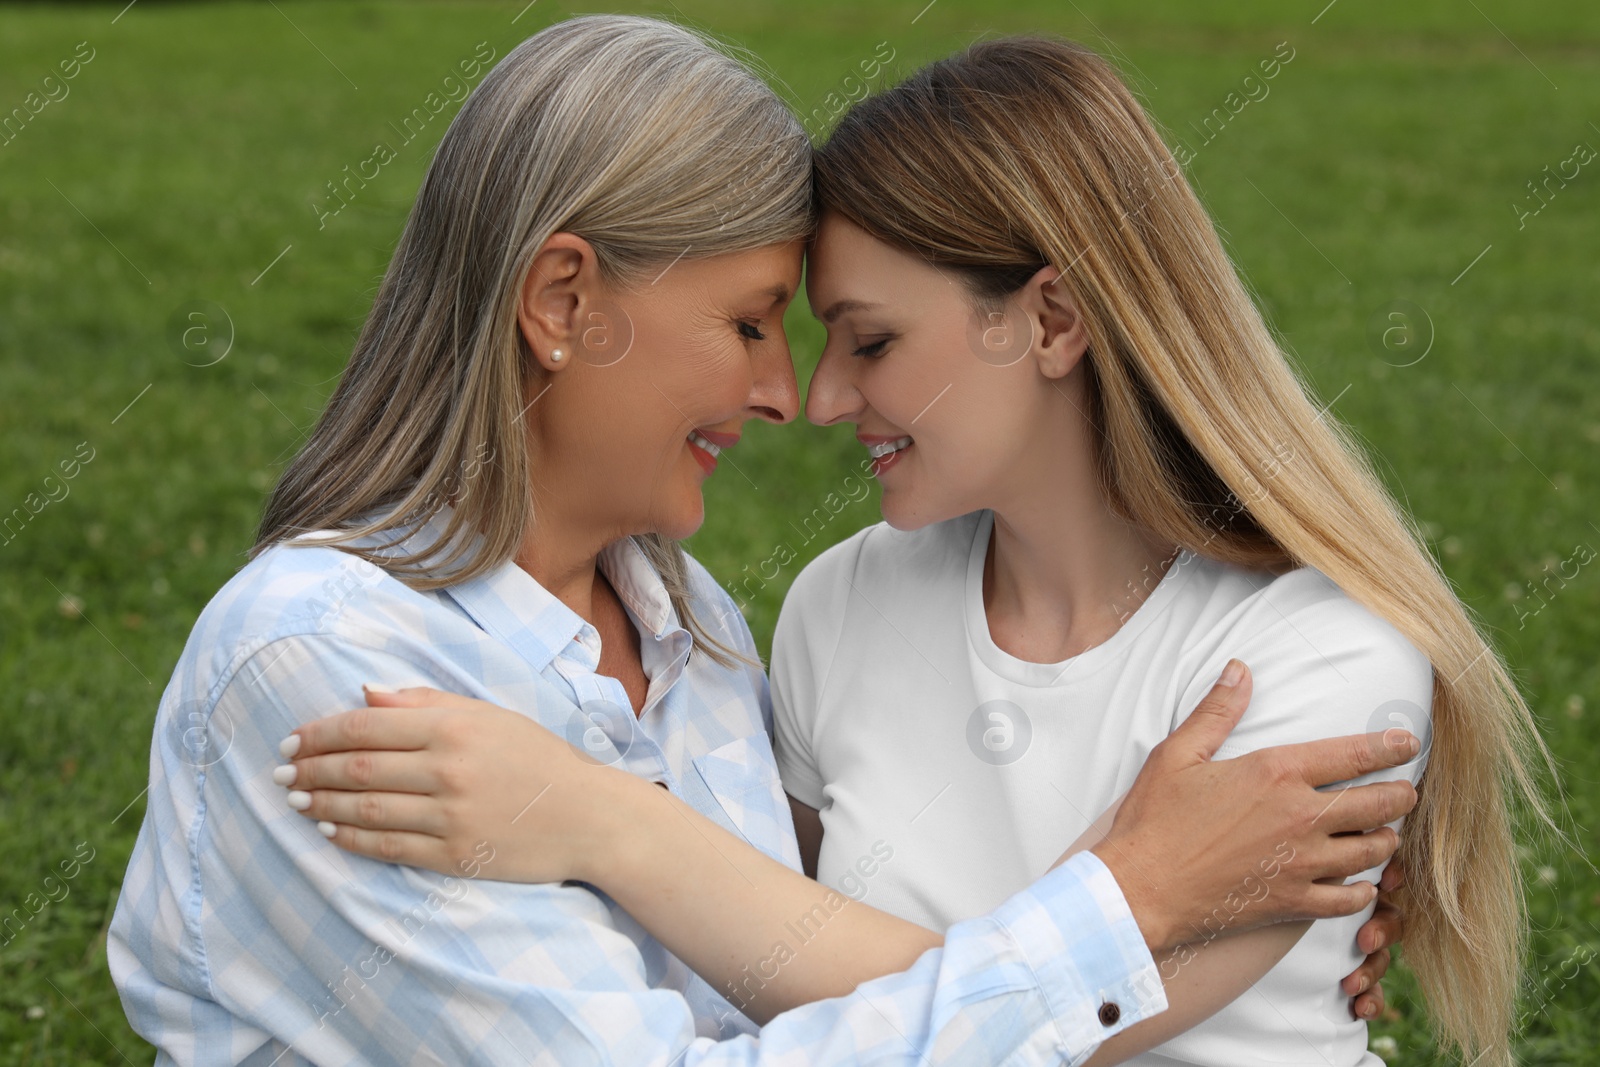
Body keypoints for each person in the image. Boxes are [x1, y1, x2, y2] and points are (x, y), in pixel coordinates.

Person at [112, 15, 1417, 1067]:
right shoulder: (323, 665)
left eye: (856, 337)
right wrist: (1139, 907)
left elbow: (816, 977)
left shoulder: (698, 627)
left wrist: (1260, 985)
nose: (793, 395)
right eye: (751, 324)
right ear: (565, 300)